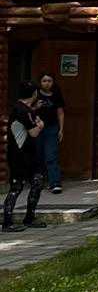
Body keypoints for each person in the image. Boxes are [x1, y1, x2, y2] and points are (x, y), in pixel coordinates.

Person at [4, 84, 49, 232]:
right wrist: (41, 125)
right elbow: (33, 132)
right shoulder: (23, 110)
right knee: (17, 187)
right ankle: (7, 223)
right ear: (34, 94)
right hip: (19, 155)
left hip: (27, 154)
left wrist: (34, 111)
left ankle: (29, 218)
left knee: (37, 181)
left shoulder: (21, 108)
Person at [30, 74, 63, 193]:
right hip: (37, 128)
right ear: (40, 82)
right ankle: (38, 182)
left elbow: (60, 113)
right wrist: (35, 107)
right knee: (38, 155)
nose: (47, 83)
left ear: (53, 82)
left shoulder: (56, 95)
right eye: (44, 81)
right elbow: (26, 110)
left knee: (51, 155)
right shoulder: (35, 94)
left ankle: (55, 183)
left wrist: (61, 129)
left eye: (49, 80)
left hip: (52, 128)